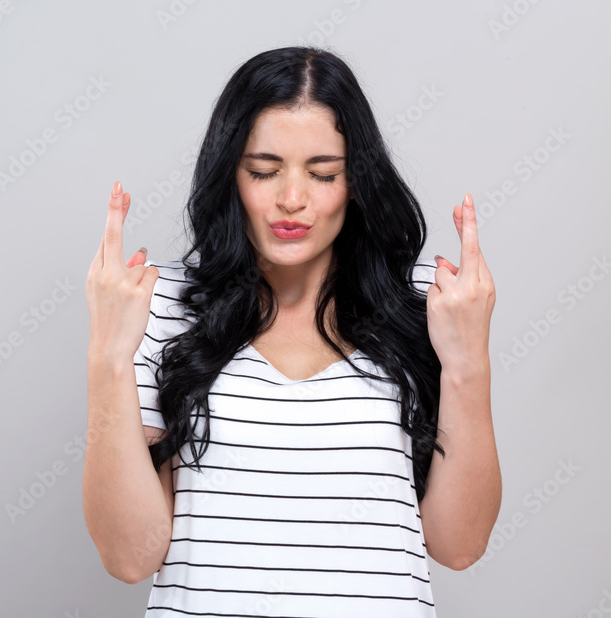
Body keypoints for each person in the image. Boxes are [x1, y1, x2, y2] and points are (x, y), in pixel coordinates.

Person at [83, 46, 500, 617]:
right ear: (230, 174)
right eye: (263, 170)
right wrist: (108, 355)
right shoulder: (163, 306)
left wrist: (468, 362)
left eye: (323, 173)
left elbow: (460, 545)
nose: (292, 199)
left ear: (356, 181)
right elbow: (129, 557)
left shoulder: (428, 304)